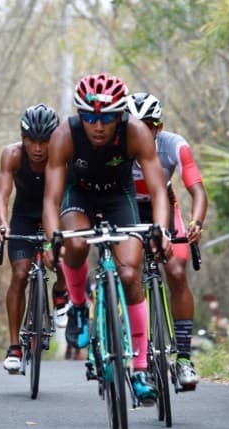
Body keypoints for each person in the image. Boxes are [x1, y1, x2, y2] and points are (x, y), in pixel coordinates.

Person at [42, 73, 172, 405]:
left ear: (120, 115)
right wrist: (51, 237)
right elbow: (51, 199)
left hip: (118, 197)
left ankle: (140, 369)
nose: (97, 126)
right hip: (79, 196)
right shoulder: (64, 135)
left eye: (107, 117)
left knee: (130, 273)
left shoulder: (136, 132)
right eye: (89, 116)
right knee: (75, 243)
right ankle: (78, 308)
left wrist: (160, 230)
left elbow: (158, 190)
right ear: (79, 115)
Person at [127, 92, 208, 391]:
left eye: (147, 125)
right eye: (135, 123)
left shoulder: (175, 144)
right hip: (129, 209)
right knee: (129, 273)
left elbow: (197, 191)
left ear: (158, 127)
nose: (141, 130)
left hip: (165, 208)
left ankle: (184, 358)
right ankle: (140, 351)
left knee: (175, 270)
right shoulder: (118, 145)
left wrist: (196, 223)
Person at [0, 104, 70, 374]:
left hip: (55, 213)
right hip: (24, 216)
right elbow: (2, 195)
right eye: (31, 141)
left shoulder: (63, 157)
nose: (37, 148)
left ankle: (60, 291)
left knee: (61, 257)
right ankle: (14, 346)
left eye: (44, 141)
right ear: (22, 138)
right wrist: (3, 225)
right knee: (20, 273)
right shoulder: (12, 155)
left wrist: (53, 239)